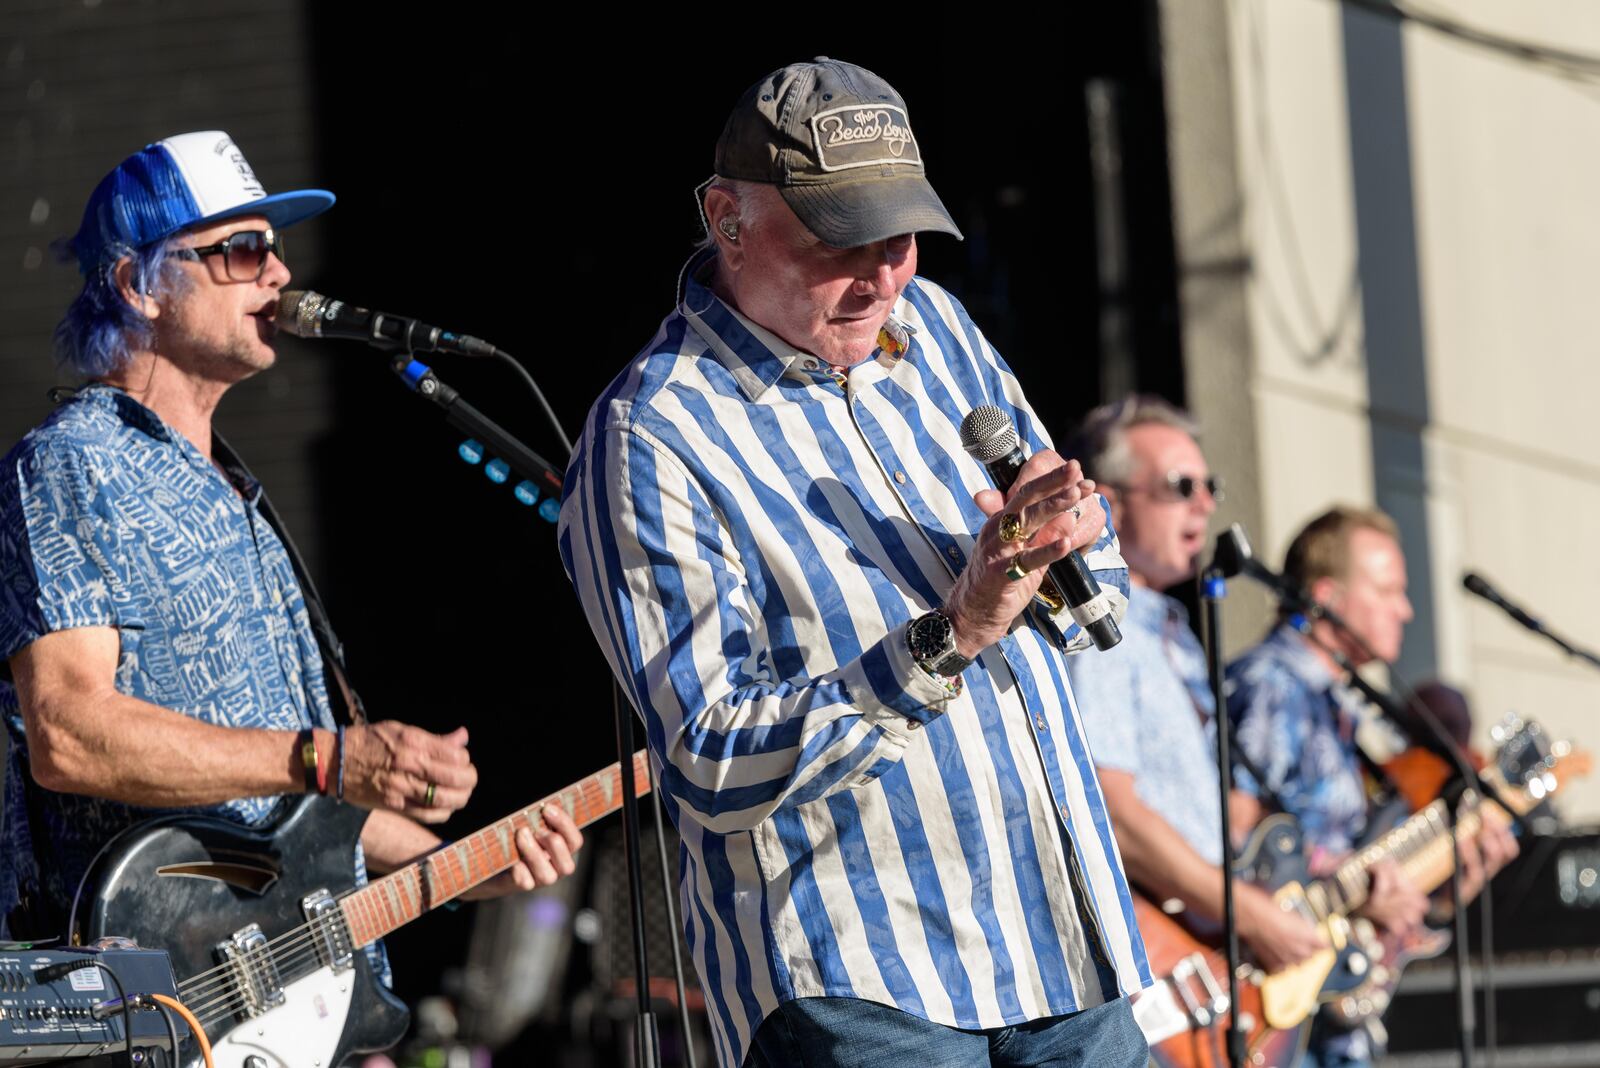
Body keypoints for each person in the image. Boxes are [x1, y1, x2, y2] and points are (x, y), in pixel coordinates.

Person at [559, 60, 1152, 1068]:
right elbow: (708, 756)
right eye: (841, 240)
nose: (881, 276)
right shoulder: (653, 433)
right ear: (727, 218)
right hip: (864, 988)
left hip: (1059, 943)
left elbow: (1067, 595)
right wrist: (954, 627)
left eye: (900, 236)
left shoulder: (940, 333)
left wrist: (1063, 549)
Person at [0, 131, 582, 951]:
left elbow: (292, 804)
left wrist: (463, 867)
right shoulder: (71, 464)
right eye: (240, 250)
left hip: (287, 987)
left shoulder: (234, 491)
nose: (278, 274)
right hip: (155, 992)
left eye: (275, 250)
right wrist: (329, 756)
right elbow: (67, 733)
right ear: (138, 285)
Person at [1226, 505, 1518, 1066]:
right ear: (1329, 597)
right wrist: (1342, 885)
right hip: (1273, 1009)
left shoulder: (1337, 706)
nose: (1405, 610)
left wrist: (1443, 888)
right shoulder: (1272, 687)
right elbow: (1237, 843)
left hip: (1325, 1006)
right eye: (1388, 590)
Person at [1063, 396, 1326, 975]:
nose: (1205, 505)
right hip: (1158, 955)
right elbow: (1115, 812)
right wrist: (1250, 916)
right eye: (1181, 486)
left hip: (1201, 946)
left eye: (1211, 487)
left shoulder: (1169, 631)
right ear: (1106, 502)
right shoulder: (1108, 623)